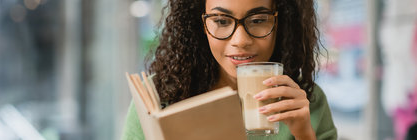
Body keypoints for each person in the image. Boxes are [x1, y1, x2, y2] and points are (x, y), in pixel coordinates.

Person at [121, 0, 337, 139]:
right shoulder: (157, 96)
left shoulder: (307, 101)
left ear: (281, 23)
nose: (241, 40)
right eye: (222, 21)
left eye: (259, 20)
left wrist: (304, 135)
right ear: (202, 26)